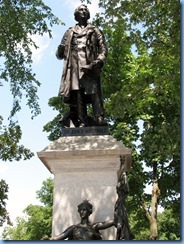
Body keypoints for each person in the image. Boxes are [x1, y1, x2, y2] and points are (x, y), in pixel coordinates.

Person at [56, 4, 107, 127]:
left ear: (88, 14)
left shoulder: (94, 30)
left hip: (90, 66)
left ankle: (99, 118)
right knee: (78, 94)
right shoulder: (69, 32)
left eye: (85, 10)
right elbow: (59, 55)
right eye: (80, 10)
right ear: (76, 14)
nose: (83, 11)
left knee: (94, 92)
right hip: (74, 67)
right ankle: (82, 121)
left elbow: (104, 49)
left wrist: (98, 62)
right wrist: (60, 50)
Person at [49, 200, 114, 240]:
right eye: (80, 210)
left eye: (84, 210)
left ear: (89, 211)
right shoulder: (74, 228)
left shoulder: (94, 227)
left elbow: (111, 222)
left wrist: (119, 218)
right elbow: (58, 237)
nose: (81, 212)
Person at [114, 157, 134, 240]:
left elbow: (122, 184)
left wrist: (122, 165)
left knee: (121, 225)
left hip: (120, 205)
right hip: (119, 205)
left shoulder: (121, 190)